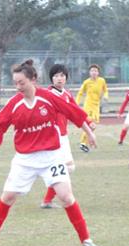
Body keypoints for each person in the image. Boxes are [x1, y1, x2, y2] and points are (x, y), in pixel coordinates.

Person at [0, 60, 100, 246]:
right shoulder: (14, 104)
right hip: (25, 159)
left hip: (51, 156)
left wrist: (89, 133)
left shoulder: (48, 97)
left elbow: (72, 112)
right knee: (8, 197)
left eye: (21, 82)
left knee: (66, 197)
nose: (17, 87)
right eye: (15, 83)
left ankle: (86, 240)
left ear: (33, 80)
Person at [40, 64, 95, 209]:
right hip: (52, 137)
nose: (60, 78)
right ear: (51, 78)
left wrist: (88, 122)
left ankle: (48, 199)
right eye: (56, 76)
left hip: (63, 136)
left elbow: (75, 110)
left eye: (62, 75)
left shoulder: (66, 94)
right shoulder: (48, 94)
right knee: (66, 168)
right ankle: (51, 198)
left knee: (68, 168)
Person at [76, 64, 108, 152]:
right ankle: (83, 143)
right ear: (89, 73)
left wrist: (105, 96)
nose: (94, 72)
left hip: (96, 106)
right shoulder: (86, 82)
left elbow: (105, 90)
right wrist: (77, 103)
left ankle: (86, 142)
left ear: (98, 72)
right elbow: (80, 93)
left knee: (93, 127)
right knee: (91, 125)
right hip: (88, 106)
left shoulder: (102, 81)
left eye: (95, 71)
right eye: (92, 71)